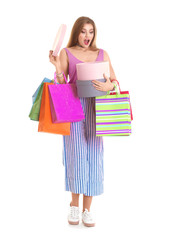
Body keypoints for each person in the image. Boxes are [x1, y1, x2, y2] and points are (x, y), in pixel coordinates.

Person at [49, 16, 117, 227]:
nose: (87, 36)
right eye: (83, 31)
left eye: (91, 31)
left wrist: (108, 86)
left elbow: (114, 81)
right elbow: (61, 82)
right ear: (77, 32)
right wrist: (57, 67)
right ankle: (74, 205)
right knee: (76, 156)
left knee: (94, 158)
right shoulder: (66, 52)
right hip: (74, 107)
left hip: (97, 110)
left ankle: (88, 210)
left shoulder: (102, 54)